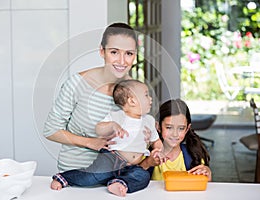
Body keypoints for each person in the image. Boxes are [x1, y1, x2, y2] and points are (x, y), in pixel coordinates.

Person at [43, 23, 153, 173]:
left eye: (129, 53)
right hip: (75, 173)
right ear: (102, 51)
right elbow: (51, 130)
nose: (122, 61)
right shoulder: (77, 84)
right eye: (114, 52)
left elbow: (141, 133)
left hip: (117, 179)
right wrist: (90, 142)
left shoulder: (135, 91)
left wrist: (145, 138)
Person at [50, 79, 164, 197]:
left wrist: (158, 150)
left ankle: (120, 183)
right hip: (111, 158)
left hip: (133, 166)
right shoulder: (117, 115)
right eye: (146, 95)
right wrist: (111, 126)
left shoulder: (149, 121)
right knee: (92, 177)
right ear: (132, 100)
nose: (150, 99)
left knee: (143, 176)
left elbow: (156, 141)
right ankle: (63, 178)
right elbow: (99, 129)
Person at [140, 99, 212, 181]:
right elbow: (129, 179)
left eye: (181, 128)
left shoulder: (193, 156)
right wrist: (147, 163)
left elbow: (204, 184)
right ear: (158, 127)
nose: (175, 134)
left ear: (187, 129)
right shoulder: (146, 154)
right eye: (169, 127)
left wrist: (207, 173)